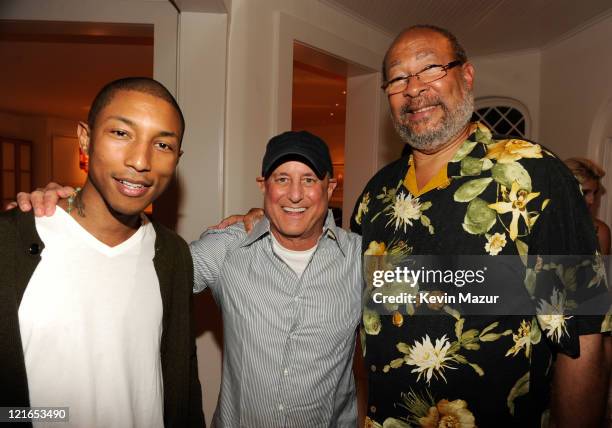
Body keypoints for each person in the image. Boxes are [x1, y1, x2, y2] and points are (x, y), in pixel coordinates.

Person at [349, 24, 610, 427]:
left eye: (430, 68)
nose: (414, 88)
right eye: (398, 77)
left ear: (466, 76)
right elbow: (366, 324)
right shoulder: (375, 195)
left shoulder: (536, 175)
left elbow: (584, 337)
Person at [15, 131, 363, 427]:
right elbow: (137, 270)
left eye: (309, 180)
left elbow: (408, 347)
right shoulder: (229, 248)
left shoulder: (365, 258)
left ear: (330, 186)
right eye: (282, 179)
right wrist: (74, 208)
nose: (295, 194)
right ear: (264, 186)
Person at [0, 77, 204, 427]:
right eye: (121, 133)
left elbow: (183, 385)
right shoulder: (10, 244)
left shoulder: (172, 255)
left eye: (163, 145)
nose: (140, 161)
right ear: (85, 138)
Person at [565, 157, 611, 255]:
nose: (592, 200)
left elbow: (601, 270)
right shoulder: (536, 225)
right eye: (585, 192)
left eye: (595, 193)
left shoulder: (600, 232)